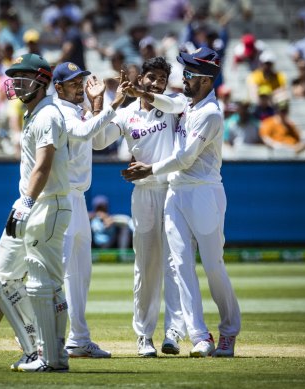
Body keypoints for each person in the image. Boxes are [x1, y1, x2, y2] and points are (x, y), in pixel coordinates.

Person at [121, 47, 241, 358]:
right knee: (180, 266)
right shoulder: (186, 102)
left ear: (204, 80)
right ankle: (200, 336)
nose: (182, 79)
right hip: (175, 193)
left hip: (204, 192)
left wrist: (150, 169)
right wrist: (138, 93)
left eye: (188, 74)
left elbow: (187, 158)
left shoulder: (212, 114)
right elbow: (169, 101)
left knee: (213, 267)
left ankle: (229, 331)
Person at [0, 53, 72, 373]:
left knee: (44, 285)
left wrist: (27, 201)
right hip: (32, 204)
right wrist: (25, 202)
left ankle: (52, 356)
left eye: (23, 77)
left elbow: (43, 166)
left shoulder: (47, 115)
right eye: (13, 77)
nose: (15, 83)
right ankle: (34, 349)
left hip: (47, 203)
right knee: (1, 277)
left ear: (42, 81)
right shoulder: (34, 114)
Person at [94, 56, 187, 357]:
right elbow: (97, 142)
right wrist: (107, 103)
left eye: (162, 77)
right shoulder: (127, 113)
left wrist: (143, 93)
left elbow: (175, 106)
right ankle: (144, 336)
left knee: (175, 263)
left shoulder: (171, 104)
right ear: (141, 77)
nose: (157, 81)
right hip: (144, 194)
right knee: (145, 267)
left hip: (173, 190)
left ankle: (173, 332)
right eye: (152, 76)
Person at [52, 61, 126, 359]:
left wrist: (98, 104)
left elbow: (95, 140)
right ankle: (42, 336)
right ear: (58, 88)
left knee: (81, 272)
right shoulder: (57, 112)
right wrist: (112, 106)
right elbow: (83, 134)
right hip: (61, 198)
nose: (79, 86)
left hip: (78, 199)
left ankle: (78, 339)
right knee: (63, 271)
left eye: (81, 80)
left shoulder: (77, 111)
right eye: (73, 83)